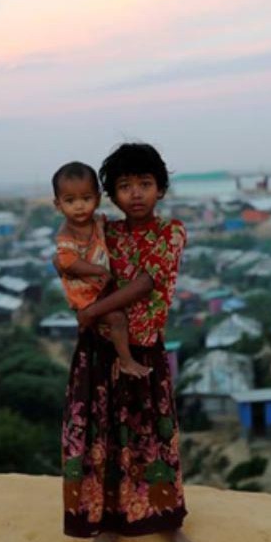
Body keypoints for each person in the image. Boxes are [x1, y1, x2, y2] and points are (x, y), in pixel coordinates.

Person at [58, 143, 197, 542]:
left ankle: (169, 522)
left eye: (145, 184)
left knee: (154, 436)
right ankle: (106, 521)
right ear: (110, 195)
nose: (135, 194)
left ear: (161, 188)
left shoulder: (171, 232)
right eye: (124, 186)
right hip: (100, 351)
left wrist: (90, 313)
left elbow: (144, 284)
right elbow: (68, 258)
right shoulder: (106, 231)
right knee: (103, 438)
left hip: (144, 349)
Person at [52, 161, 152, 379]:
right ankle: (126, 362)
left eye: (86, 199)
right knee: (117, 319)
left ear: (96, 199)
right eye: (70, 201)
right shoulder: (67, 232)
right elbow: (67, 261)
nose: (79, 206)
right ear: (58, 205)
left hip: (97, 291)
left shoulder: (97, 222)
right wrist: (96, 270)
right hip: (84, 295)